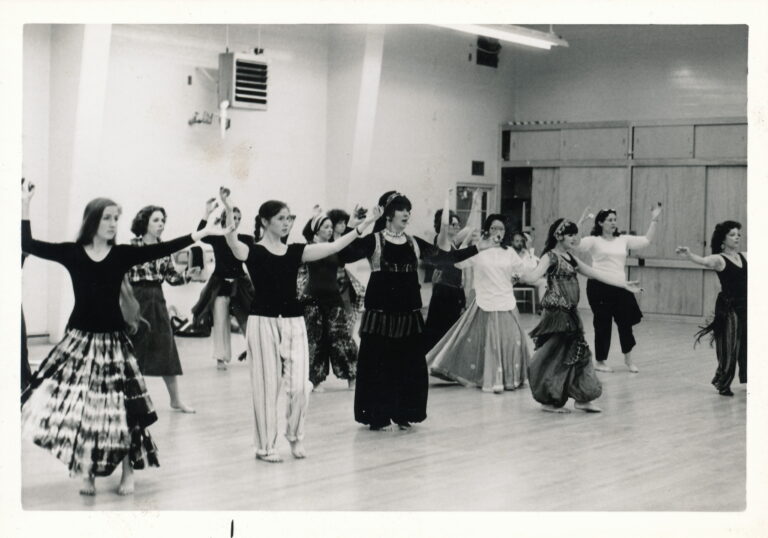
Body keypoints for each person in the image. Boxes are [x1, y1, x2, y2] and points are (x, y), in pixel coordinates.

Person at [20, 178, 229, 495]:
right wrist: (25, 203)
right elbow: (29, 245)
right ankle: (88, 473)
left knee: (124, 410)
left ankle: (127, 473)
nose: (113, 223)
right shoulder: (73, 253)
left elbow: (164, 247)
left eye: (116, 218)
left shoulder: (121, 255)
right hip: (80, 341)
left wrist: (199, 234)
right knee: (88, 410)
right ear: (93, 220)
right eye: (107, 217)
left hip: (114, 341)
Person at [220, 188, 380, 462]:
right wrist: (229, 207)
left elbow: (333, 247)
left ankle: (294, 436)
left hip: (294, 323)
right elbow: (233, 244)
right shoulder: (254, 251)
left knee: (299, 387)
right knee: (266, 387)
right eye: (281, 218)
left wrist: (364, 225)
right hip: (262, 324)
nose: (287, 222)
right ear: (265, 221)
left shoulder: (296, 252)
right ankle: (266, 446)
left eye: (289, 218)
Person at [340, 191, 500, 431]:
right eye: (401, 209)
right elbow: (344, 253)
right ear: (388, 213)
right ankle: (377, 415)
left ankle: (404, 412)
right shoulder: (374, 240)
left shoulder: (413, 242)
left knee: (409, 365)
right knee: (378, 365)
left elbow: (447, 259)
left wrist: (479, 247)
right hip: (380, 315)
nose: (406, 213)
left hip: (409, 315)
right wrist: (357, 224)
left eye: (408, 209)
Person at [521, 218, 642, 413]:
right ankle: (549, 399)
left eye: (576, 234)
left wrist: (623, 284)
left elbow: (594, 273)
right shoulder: (550, 257)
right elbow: (534, 276)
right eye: (571, 234)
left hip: (571, 313)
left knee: (581, 355)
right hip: (557, 314)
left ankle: (583, 398)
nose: (575, 238)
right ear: (558, 236)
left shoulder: (570, 257)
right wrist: (520, 274)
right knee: (556, 355)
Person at [427, 214, 531, 393]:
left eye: (501, 229)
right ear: (487, 230)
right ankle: (489, 377)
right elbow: (458, 264)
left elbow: (521, 271)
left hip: (506, 301)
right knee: (487, 343)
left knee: (511, 341)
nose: (497, 232)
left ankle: (509, 378)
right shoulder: (479, 250)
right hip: (486, 301)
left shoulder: (510, 252)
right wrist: (469, 243)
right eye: (493, 228)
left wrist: (516, 276)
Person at [127, 205, 201, 413]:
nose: (161, 225)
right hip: (136, 301)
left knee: (166, 350)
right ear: (145, 223)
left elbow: (171, 277)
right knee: (135, 353)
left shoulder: (163, 249)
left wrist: (188, 275)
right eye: (156, 220)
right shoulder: (132, 247)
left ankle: (175, 400)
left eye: (162, 221)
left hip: (157, 301)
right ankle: (133, 401)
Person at [576, 204, 662, 373]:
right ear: (600, 223)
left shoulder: (623, 239)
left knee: (626, 324)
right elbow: (576, 244)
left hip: (621, 286)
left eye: (615, 220)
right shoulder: (594, 240)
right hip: (599, 286)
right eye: (609, 220)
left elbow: (646, 240)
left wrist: (655, 219)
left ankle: (628, 360)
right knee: (602, 324)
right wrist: (582, 220)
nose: (613, 223)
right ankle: (600, 361)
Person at [676, 221, 747, 396]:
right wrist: (690, 255)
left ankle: (751, 380)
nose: (737, 237)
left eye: (738, 234)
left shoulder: (746, 256)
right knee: (730, 347)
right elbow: (704, 261)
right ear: (723, 240)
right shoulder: (719, 259)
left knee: (749, 345)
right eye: (732, 234)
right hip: (729, 307)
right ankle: (723, 382)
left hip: (747, 305)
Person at [299, 212, 360, 392]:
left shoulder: (335, 249)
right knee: (315, 340)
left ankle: (352, 377)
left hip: (334, 300)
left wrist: (352, 225)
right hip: (312, 301)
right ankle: (315, 380)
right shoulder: (308, 249)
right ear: (316, 231)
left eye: (330, 227)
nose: (329, 230)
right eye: (325, 227)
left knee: (341, 338)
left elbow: (351, 249)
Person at [191, 198, 255, 369]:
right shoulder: (217, 238)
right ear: (225, 218)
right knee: (220, 321)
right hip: (219, 284)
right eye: (232, 217)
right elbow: (200, 232)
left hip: (240, 284)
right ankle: (221, 357)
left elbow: (253, 262)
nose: (236, 220)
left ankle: (256, 353)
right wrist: (207, 212)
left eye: (238, 218)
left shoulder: (246, 239)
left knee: (249, 320)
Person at [422, 188, 477, 351]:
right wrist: (446, 199)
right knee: (438, 330)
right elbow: (445, 224)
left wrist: (474, 203)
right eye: (454, 224)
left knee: (451, 329)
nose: (457, 226)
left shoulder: (454, 242)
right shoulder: (442, 241)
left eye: (457, 224)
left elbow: (470, 227)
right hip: (443, 291)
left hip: (454, 291)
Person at [511, 230, 546, 303]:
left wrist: (529, 250)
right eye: (517, 241)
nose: (520, 243)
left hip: (526, 277)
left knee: (544, 282)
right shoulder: (509, 252)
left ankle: (542, 307)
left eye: (521, 241)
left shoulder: (525, 252)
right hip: (513, 278)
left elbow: (533, 266)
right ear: (512, 242)